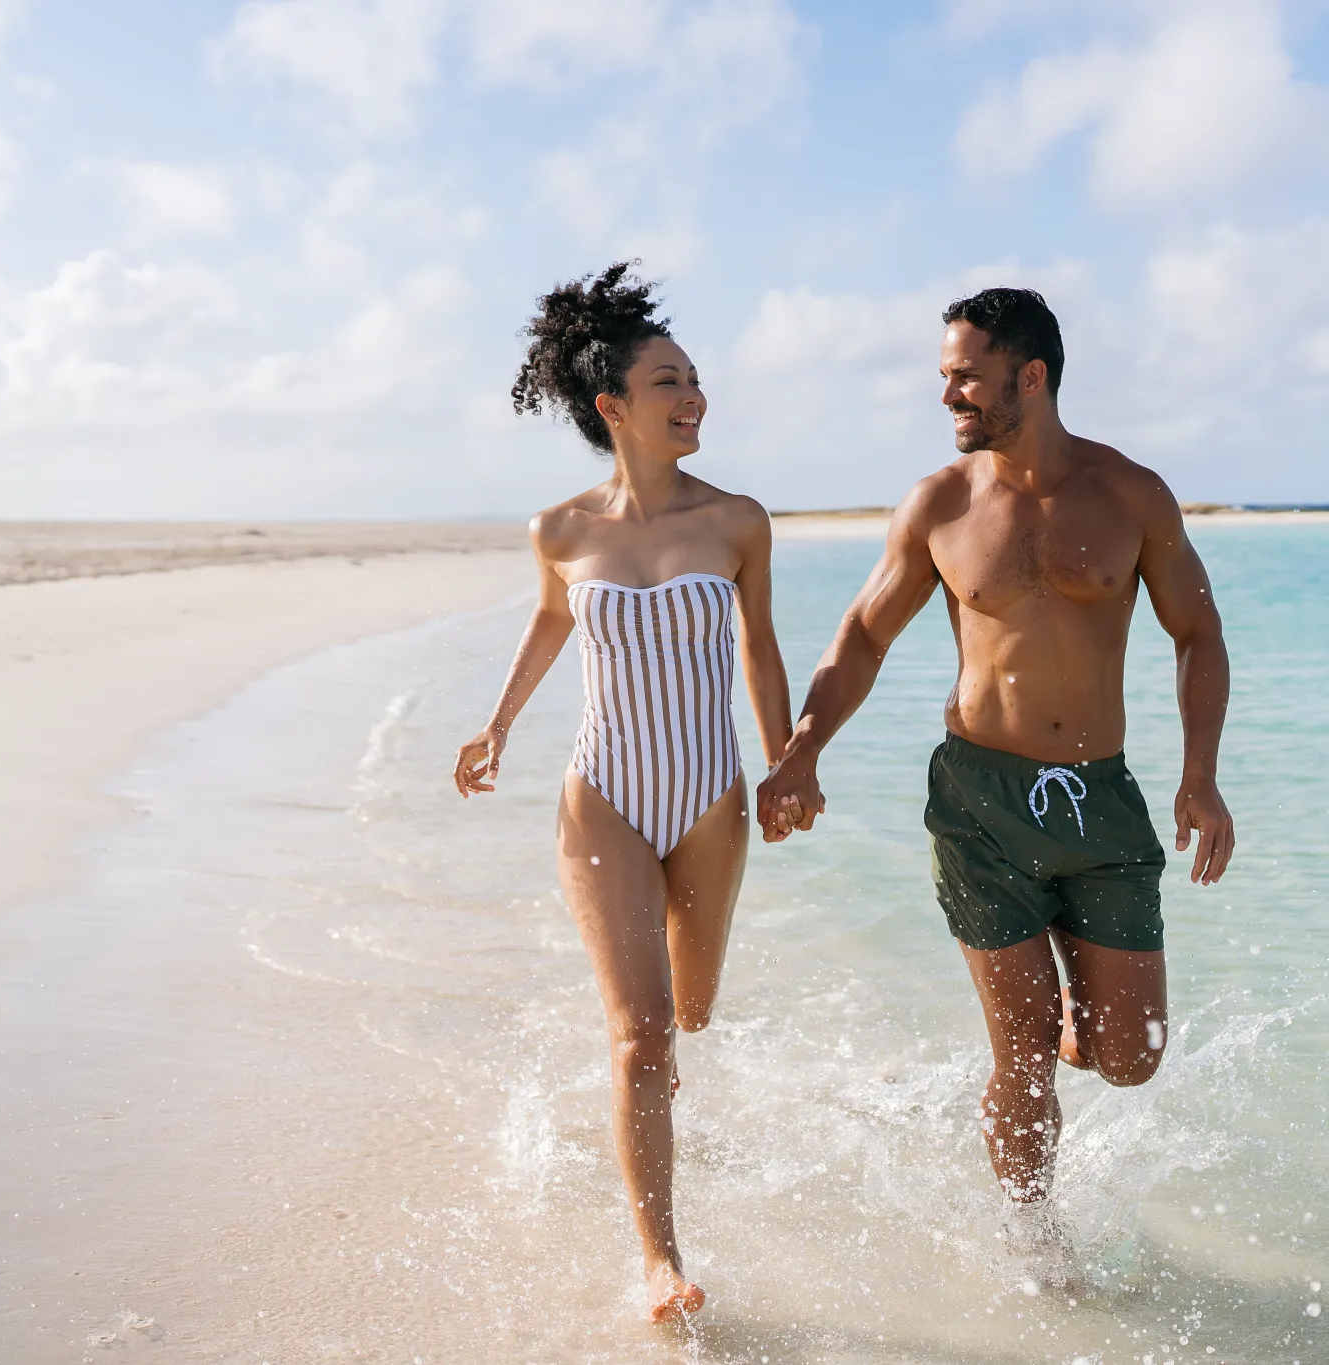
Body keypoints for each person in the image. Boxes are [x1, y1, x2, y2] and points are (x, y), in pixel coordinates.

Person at [755, 286, 1234, 1222]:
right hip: (979, 799)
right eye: (946, 377)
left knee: (1131, 1056)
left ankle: (1063, 1026)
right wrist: (802, 750)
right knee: (1020, 1055)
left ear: (1032, 375)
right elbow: (863, 635)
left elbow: (1198, 634)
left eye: (966, 378)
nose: (947, 396)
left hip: (1099, 798)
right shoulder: (940, 502)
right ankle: (1035, 1247)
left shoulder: (1130, 494)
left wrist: (1201, 776)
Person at [454, 262, 792, 1322]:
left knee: (689, 1014)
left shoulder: (736, 521)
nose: (693, 397)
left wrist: (786, 762)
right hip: (601, 793)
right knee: (641, 1034)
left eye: (693, 380)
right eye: (667, 383)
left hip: (710, 799)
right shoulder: (560, 531)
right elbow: (551, 620)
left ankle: (651, 1088)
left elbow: (759, 646)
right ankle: (660, 1260)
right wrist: (498, 724)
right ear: (611, 407)